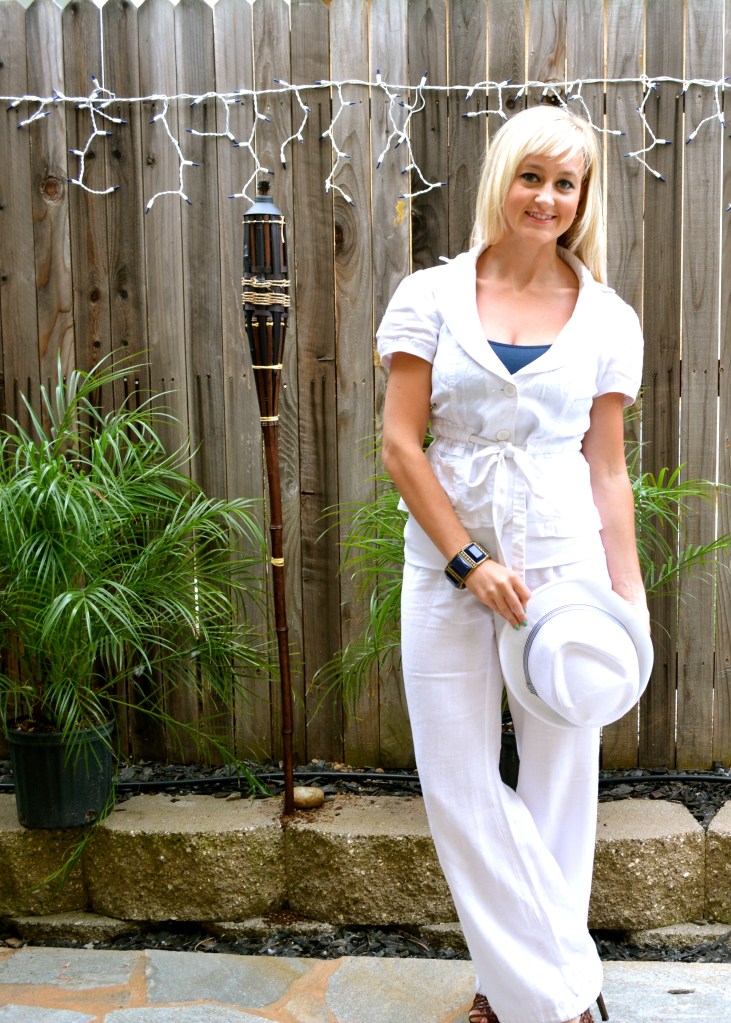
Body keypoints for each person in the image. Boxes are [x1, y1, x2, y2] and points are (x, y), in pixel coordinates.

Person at [376, 104, 650, 1023]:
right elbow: (401, 445)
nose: (546, 197)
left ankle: (513, 990)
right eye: (531, 175)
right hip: (447, 571)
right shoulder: (429, 296)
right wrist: (467, 561)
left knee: (561, 784)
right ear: (502, 178)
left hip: (566, 577)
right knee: (455, 780)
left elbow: (606, 468)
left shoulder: (606, 316)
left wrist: (629, 596)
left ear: (582, 199)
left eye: (564, 182)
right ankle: (567, 990)